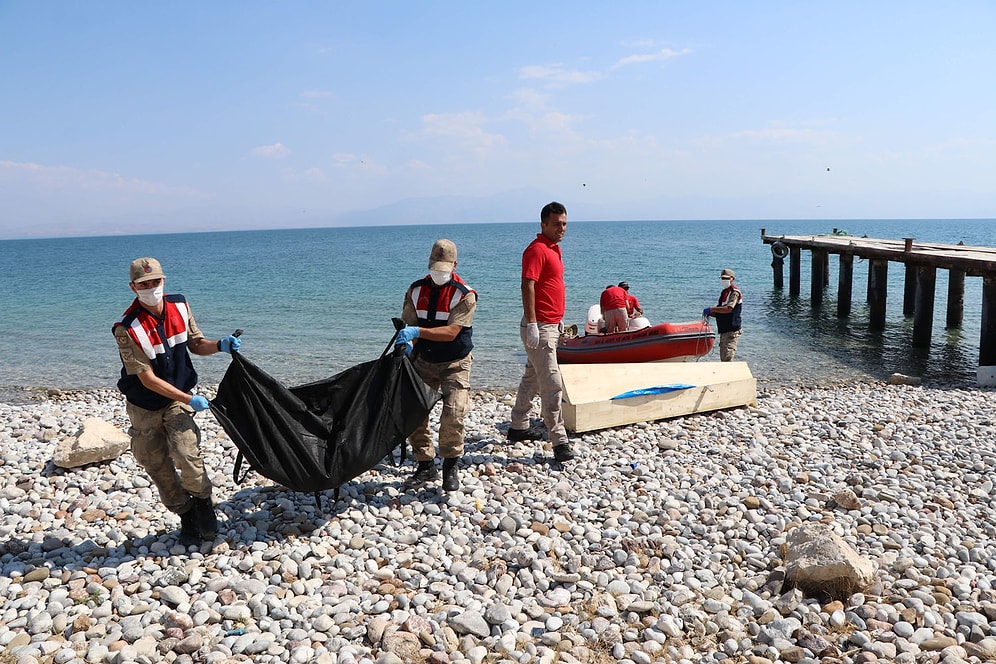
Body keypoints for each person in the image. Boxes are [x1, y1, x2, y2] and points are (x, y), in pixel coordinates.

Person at [113, 257, 242, 546]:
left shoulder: (180, 307)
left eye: (155, 282)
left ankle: (203, 505)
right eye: (144, 284)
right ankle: (185, 514)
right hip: (144, 404)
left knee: (186, 452)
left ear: (164, 281)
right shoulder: (127, 327)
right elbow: (146, 379)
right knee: (154, 462)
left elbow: (196, 343)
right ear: (133, 287)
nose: (151, 288)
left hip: (177, 400)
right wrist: (190, 398)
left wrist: (220, 346)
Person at [394, 239, 477, 491]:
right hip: (423, 360)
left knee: (454, 412)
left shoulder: (465, 295)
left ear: (454, 265)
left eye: (444, 269)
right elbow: (409, 324)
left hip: (455, 362)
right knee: (415, 412)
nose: (439, 274)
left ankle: (450, 465)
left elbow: (452, 332)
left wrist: (417, 331)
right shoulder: (416, 290)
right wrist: (409, 340)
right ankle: (425, 464)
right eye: (435, 268)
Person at [507, 202, 575, 462]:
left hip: (551, 325)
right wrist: (534, 323)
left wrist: (558, 323)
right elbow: (528, 285)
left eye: (565, 223)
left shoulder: (554, 250)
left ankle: (518, 426)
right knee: (552, 384)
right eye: (557, 224)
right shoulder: (536, 250)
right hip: (540, 327)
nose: (562, 229)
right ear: (543, 224)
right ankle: (559, 441)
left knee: (532, 378)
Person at [702, 268, 743, 361]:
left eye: (726, 278)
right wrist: (710, 313)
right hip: (724, 331)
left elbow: (729, 309)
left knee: (727, 358)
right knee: (723, 358)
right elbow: (721, 312)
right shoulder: (724, 292)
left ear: (732, 279)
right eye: (722, 278)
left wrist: (712, 308)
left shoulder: (734, 292)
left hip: (732, 331)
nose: (724, 280)